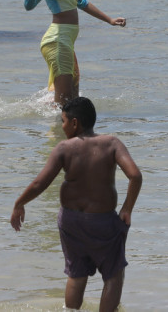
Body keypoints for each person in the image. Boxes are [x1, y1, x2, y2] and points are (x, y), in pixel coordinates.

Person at [10, 96, 142, 312]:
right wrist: (127, 208)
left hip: (71, 222)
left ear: (74, 123)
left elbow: (39, 183)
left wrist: (19, 203)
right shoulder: (112, 143)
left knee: (76, 275)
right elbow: (135, 176)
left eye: (63, 121)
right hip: (103, 223)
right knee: (113, 275)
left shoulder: (64, 148)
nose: (62, 127)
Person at [24, 0, 126, 105]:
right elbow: (29, 5)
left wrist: (109, 20)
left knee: (72, 98)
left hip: (66, 43)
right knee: (63, 102)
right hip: (56, 41)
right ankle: (53, 130)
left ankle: (58, 127)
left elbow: (81, 2)